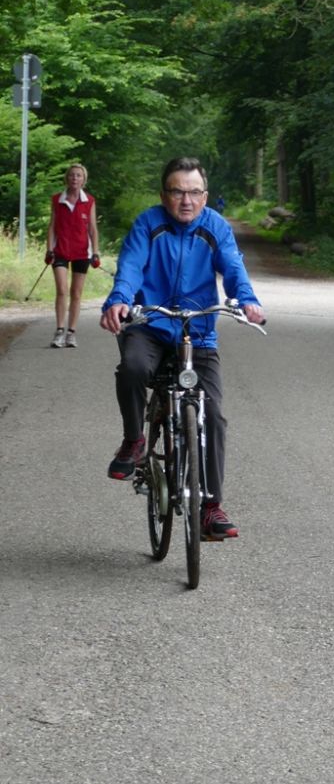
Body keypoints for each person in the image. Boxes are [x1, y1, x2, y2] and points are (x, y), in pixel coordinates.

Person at [99, 156, 265, 540]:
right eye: (177, 192)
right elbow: (130, 266)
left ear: (205, 196)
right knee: (133, 368)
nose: (186, 200)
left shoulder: (215, 227)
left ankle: (211, 507)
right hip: (150, 325)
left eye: (194, 192)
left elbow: (233, 268)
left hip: (198, 332)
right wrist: (120, 300)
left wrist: (247, 300)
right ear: (164, 195)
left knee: (214, 414)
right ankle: (134, 441)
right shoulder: (148, 224)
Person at [46, 163, 100, 348]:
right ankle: (59, 331)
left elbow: (92, 228)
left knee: (76, 293)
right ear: (67, 178)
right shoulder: (57, 200)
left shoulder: (89, 201)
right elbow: (52, 226)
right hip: (60, 250)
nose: (75, 178)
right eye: (72, 175)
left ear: (84, 180)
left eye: (78, 175)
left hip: (81, 252)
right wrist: (49, 249)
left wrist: (96, 252)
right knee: (62, 289)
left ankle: (71, 332)